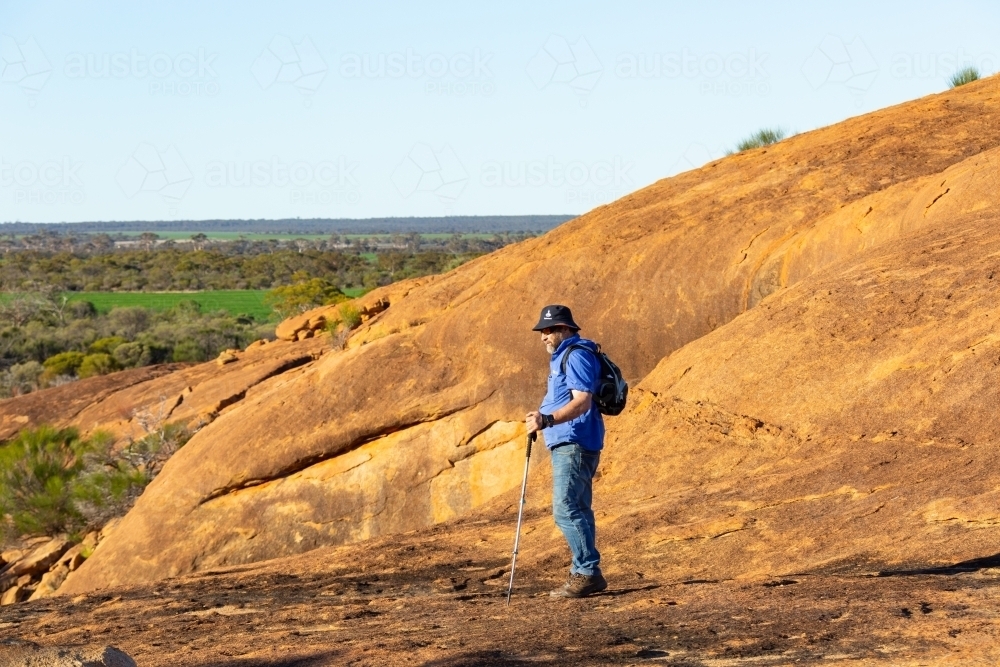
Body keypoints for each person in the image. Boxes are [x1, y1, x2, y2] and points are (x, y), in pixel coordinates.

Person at [525, 304, 607, 598]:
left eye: (548, 330)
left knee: (565, 509)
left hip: (574, 442)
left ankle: (587, 572)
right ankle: (584, 571)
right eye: (542, 331)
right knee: (578, 508)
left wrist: (547, 419)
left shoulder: (577, 355)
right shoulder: (567, 356)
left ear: (566, 329)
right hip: (572, 441)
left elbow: (582, 401)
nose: (543, 337)